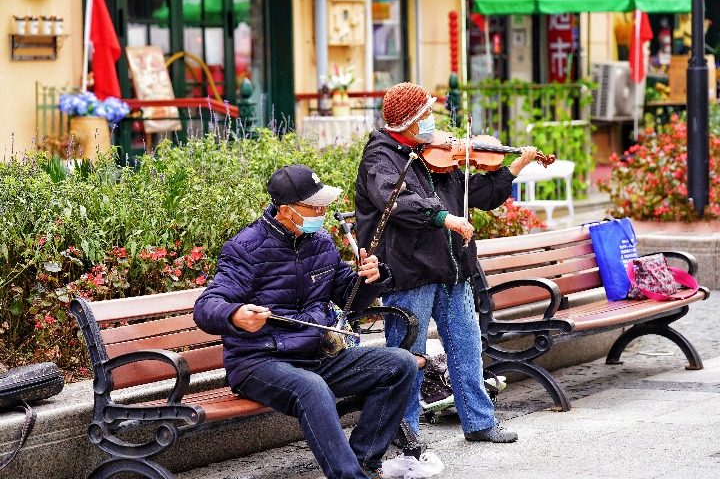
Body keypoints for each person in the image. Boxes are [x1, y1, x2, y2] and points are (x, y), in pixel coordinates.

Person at [194, 164, 417, 479]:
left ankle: (363, 461)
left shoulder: (321, 242)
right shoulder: (244, 249)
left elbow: (346, 294)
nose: (323, 211)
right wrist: (234, 314)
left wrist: (372, 278)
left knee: (400, 364)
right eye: (314, 207)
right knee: (312, 388)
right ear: (285, 210)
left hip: (313, 356)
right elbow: (206, 305)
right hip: (258, 362)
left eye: (324, 204)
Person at [355, 82, 538, 444]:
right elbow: (397, 202)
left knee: (467, 347)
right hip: (408, 271)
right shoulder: (380, 158)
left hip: (453, 267)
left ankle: (480, 421)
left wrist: (515, 166)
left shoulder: (435, 154)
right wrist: (444, 218)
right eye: (427, 115)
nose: (433, 121)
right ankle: (405, 433)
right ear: (409, 122)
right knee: (409, 357)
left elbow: (480, 195)